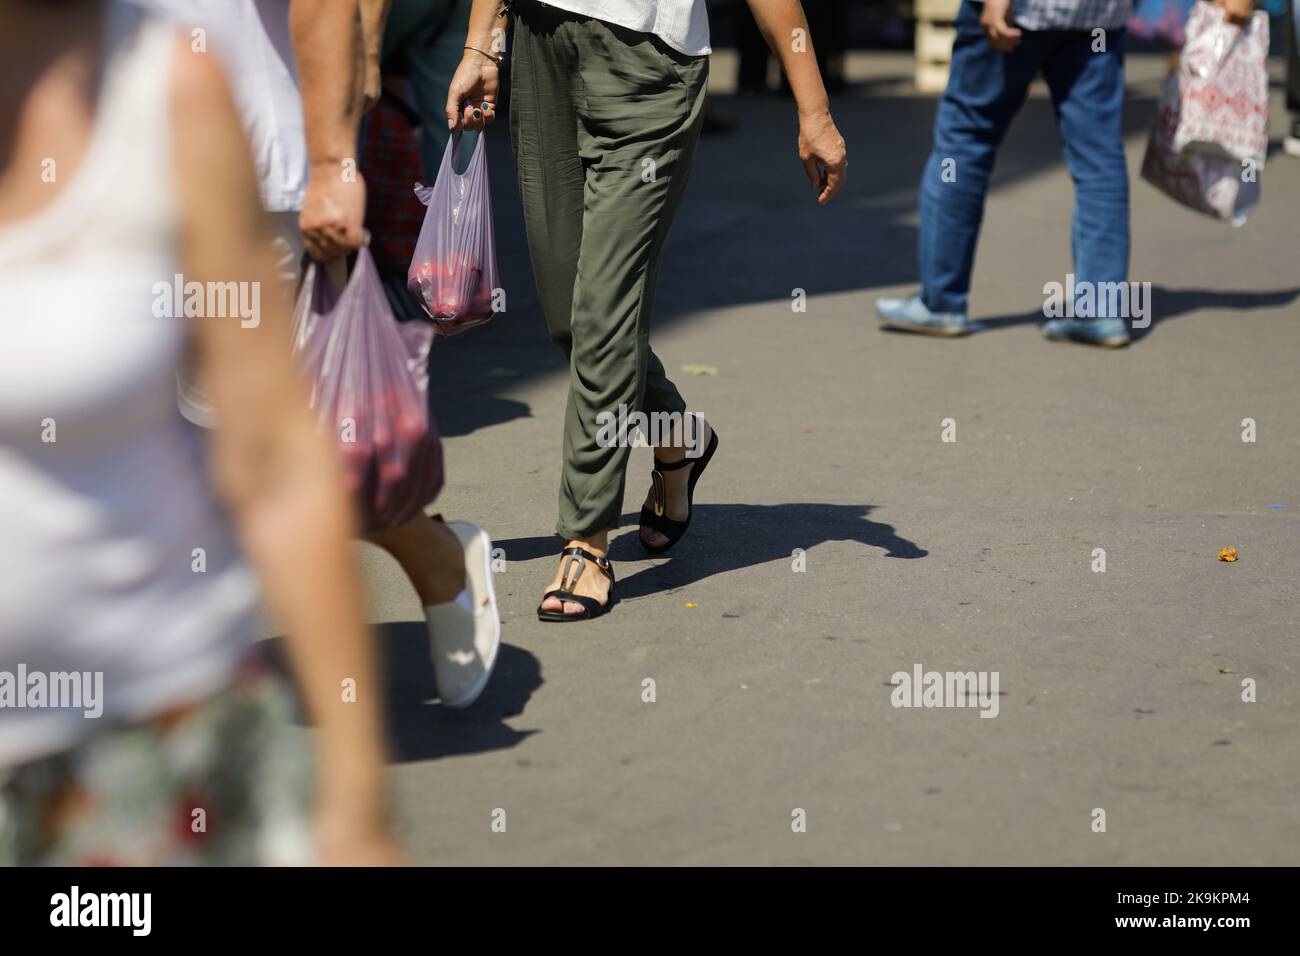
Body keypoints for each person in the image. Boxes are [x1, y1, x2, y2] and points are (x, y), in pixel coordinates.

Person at [0, 0, 397, 864]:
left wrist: (356, 800)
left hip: (151, 736)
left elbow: (275, 464)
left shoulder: (168, 91)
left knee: (226, 439)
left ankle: (431, 551)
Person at [135, 0, 501, 706]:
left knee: (253, 448)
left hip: (243, 173)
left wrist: (334, 164)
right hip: (98, 179)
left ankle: (436, 561)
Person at [446, 0, 847, 622]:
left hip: (646, 63)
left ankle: (586, 541)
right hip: (539, 41)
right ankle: (676, 436)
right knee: (570, 318)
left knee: (604, 314)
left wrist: (814, 109)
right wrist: (481, 43)